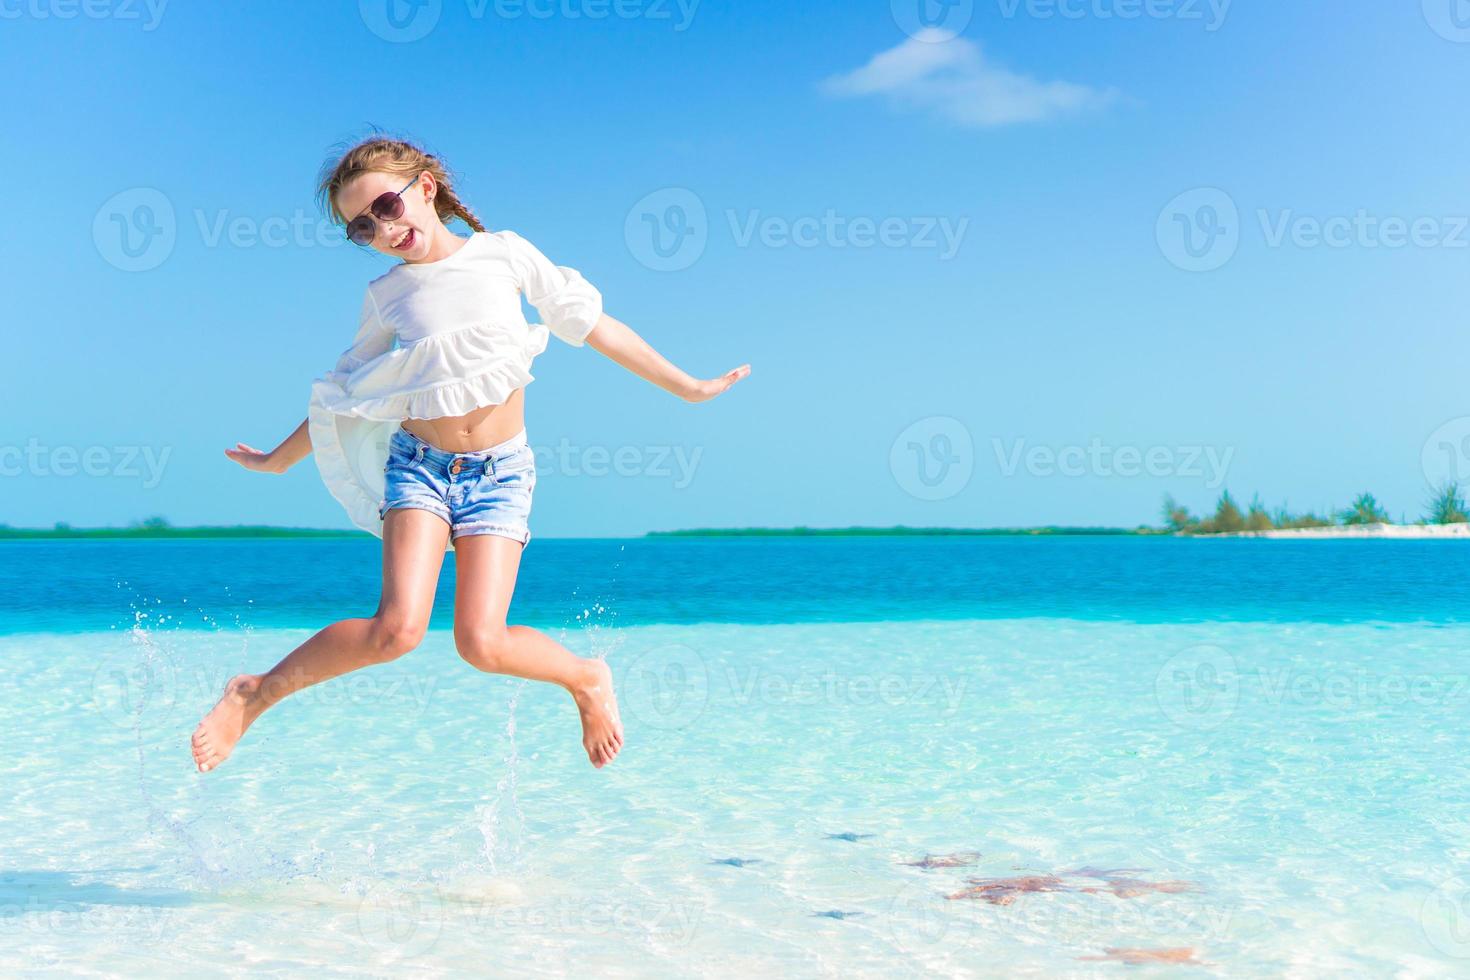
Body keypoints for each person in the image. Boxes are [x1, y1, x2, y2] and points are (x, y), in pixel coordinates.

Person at [191, 135, 749, 774]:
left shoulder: (504, 256)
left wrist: (690, 387)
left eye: (386, 207)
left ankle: (586, 678)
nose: (381, 229)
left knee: (481, 643)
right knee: (396, 631)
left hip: (501, 475)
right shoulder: (386, 295)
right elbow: (345, 396)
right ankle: (252, 692)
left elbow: (594, 326)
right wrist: (277, 461)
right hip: (418, 469)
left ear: (425, 188)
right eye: (361, 228)